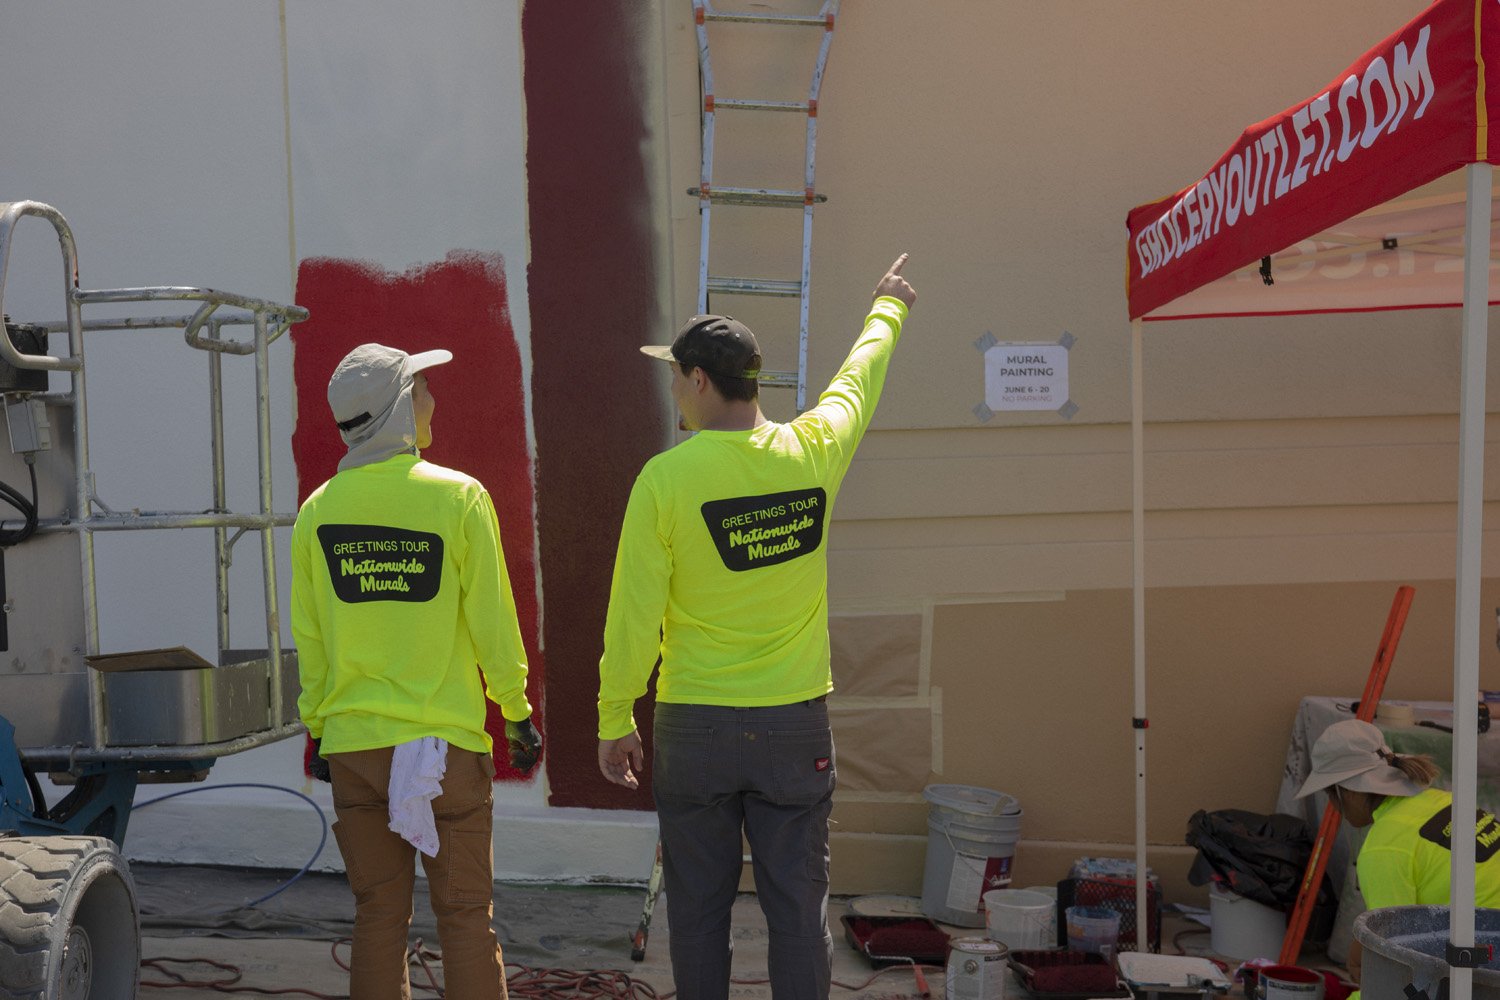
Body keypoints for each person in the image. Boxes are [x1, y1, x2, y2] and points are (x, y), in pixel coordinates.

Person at [596, 254, 917, 999]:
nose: (673, 390)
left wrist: (617, 716)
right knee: (799, 913)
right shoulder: (813, 452)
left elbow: (634, 613)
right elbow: (856, 384)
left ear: (701, 381)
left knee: (699, 915)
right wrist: (887, 307)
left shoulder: (665, 480)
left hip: (694, 730)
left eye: (676, 376)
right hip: (792, 727)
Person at [291, 342, 542, 1000]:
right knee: (464, 920)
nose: (434, 400)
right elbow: (493, 623)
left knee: (378, 918)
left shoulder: (318, 512)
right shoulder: (459, 499)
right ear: (399, 410)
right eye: (421, 390)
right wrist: (515, 711)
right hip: (446, 755)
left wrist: (319, 728)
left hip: (354, 751)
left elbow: (310, 639)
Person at [1296, 718, 1500, 986]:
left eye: (1330, 796)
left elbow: (1397, 963)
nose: (1333, 807)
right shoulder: (1442, 799)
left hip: (1482, 966)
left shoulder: (1384, 848)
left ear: (1347, 791)